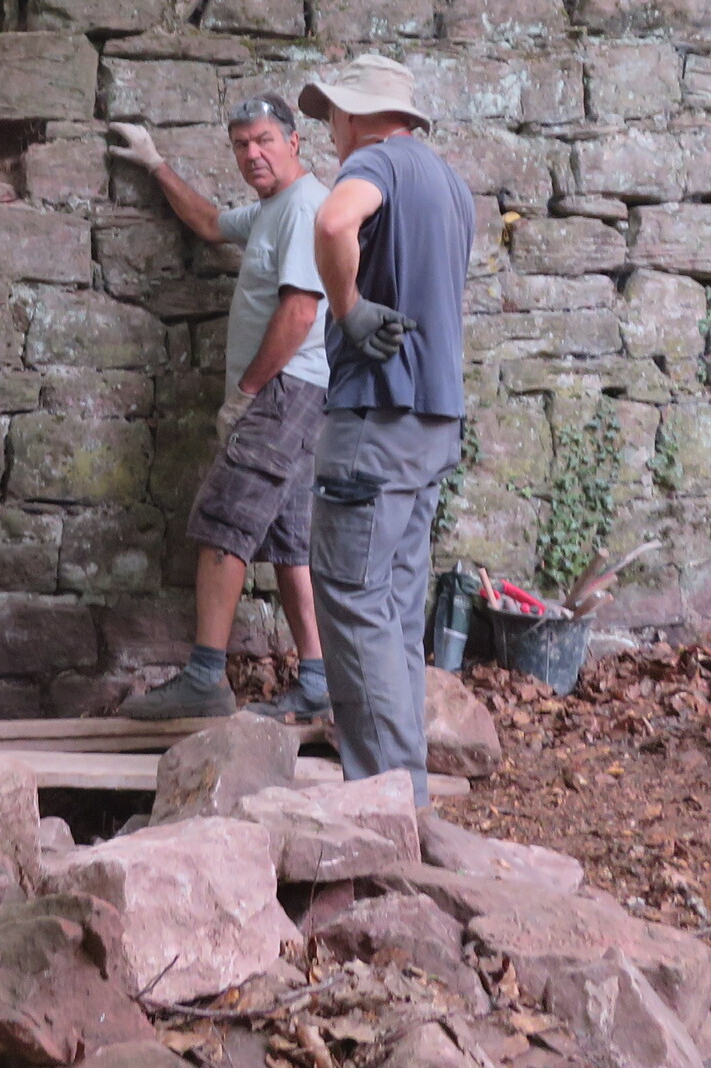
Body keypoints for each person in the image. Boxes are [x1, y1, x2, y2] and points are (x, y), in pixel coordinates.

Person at [106, 97, 332, 722]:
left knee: (222, 520)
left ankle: (205, 678)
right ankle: (318, 682)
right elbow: (208, 222)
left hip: (283, 390)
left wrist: (249, 392)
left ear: (294, 141)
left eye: (264, 140)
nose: (252, 153)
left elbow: (301, 312)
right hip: (293, 394)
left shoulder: (304, 207)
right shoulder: (270, 209)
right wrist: (154, 163)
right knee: (289, 542)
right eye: (240, 144)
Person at [298, 52, 475, 806]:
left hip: (375, 418)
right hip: (432, 423)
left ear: (354, 114)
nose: (330, 129)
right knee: (396, 609)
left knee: (352, 601)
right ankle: (409, 792)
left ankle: (383, 805)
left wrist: (347, 309)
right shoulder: (451, 184)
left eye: (332, 114)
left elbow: (334, 220)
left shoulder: (374, 163)